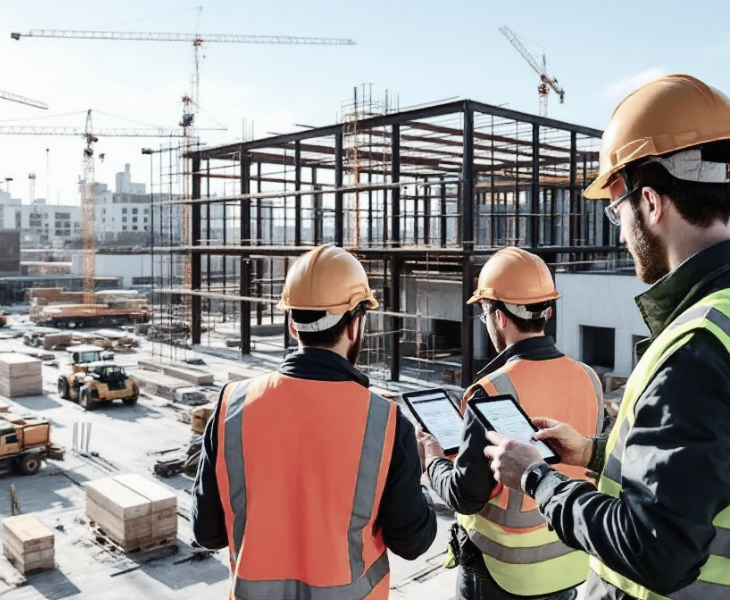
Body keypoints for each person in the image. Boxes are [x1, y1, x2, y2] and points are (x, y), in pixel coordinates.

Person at [484, 73, 730, 600]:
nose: (619, 233)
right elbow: (704, 471)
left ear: (651, 203)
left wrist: (538, 480)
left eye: (616, 210)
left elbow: (656, 548)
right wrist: (595, 453)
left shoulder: (696, 344)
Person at [191, 243, 437, 600]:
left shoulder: (231, 406)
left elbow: (207, 532)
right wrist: (421, 482)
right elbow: (413, 541)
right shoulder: (384, 422)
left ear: (293, 326)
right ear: (355, 326)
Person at [417, 246, 605, 600]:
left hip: (502, 575)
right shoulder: (589, 378)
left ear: (499, 317)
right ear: (546, 311)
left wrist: (433, 459)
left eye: (485, 313)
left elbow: (465, 495)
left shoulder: (491, 389)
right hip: (569, 562)